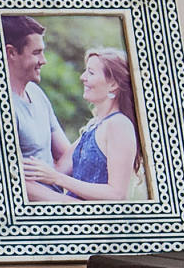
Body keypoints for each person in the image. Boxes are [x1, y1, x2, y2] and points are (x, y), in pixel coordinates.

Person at [24, 46, 146, 202]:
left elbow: (116, 194)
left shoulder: (119, 125)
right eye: (85, 71)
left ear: (113, 84)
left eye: (91, 72)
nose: (83, 77)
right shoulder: (94, 125)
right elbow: (59, 167)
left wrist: (57, 179)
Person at [3, 15, 74, 202]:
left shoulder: (37, 93)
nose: (44, 60)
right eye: (36, 53)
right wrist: (71, 205)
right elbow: (10, 180)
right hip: (34, 214)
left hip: (58, 204)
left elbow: (65, 155)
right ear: (11, 53)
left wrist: (100, 123)